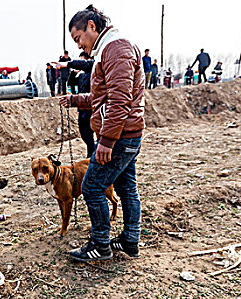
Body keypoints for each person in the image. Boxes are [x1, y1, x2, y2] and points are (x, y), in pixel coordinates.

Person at [59, 5, 145, 261]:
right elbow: (103, 98)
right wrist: (75, 100)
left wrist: (106, 141)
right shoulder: (108, 49)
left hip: (118, 136)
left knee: (92, 186)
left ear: (92, 27)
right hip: (125, 133)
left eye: (78, 38)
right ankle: (130, 240)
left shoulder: (116, 48)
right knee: (126, 186)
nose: (78, 45)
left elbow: (120, 99)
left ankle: (100, 244)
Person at [56, 52, 95, 157]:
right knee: (83, 132)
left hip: (90, 106)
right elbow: (71, 83)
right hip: (81, 106)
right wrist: (73, 73)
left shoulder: (93, 71)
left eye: (82, 60)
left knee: (88, 131)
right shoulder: (81, 75)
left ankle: (91, 152)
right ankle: (91, 149)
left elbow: (85, 65)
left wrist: (68, 64)